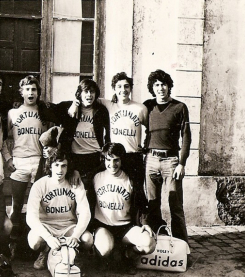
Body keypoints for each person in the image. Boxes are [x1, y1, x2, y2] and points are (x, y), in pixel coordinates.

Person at [69, 73, 148, 220]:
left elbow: (151, 129)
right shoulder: (108, 104)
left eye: (126, 86)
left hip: (133, 157)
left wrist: (146, 147)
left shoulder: (140, 108)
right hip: (113, 156)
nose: (123, 90)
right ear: (114, 89)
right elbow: (86, 96)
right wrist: (74, 104)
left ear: (131, 88)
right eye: (119, 86)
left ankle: (138, 228)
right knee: (110, 191)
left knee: (136, 193)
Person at [40, 79, 110, 213]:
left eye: (92, 92)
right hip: (75, 156)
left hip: (95, 157)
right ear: (79, 94)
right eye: (86, 92)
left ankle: (91, 226)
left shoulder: (100, 110)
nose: (89, 95)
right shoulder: (69, 107)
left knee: (92, 193)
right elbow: (45, 110)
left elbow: (108, 136)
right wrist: (72, 106)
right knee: (73, 191)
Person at [142, 69, 192, 243]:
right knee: (152, 203)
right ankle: (155, 242)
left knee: (175, 204)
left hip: (171, 161)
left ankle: (182, 245)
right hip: (150, 160)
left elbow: (186, 136)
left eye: (163, 84)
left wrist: (182, 163)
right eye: (156, 85)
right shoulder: (147, 106)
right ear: (152, 88)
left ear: (169, 86)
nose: (160, 88)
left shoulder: (179, 107)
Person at [90, 142, 156, 274]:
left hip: (125, 227)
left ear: (122, 160)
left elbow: (141, 203)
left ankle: (127, 255)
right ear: (104, 160)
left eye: (116, 160)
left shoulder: (130, 179)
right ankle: (108, 257)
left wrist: (145, 223)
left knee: (149, 243)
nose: (112, 164)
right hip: (104, 226)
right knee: (104, 249)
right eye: (109, 160)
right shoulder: (96, 177)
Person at [26, 149, 93, 270]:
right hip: (47, 225)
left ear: (68, 168)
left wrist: (76, 236)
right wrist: (48, 237)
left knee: (88, 240)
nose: (60, 170)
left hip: (68, 226)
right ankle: (45, 252)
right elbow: (31, 216)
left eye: (63, 166)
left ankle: (74, 255)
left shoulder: (75, 183)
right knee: (34, 241)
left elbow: (85, 213)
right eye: (56, 165)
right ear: (50, 166)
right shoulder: (40, 184)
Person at [7, 75, 48, 257]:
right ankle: (11, 245)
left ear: (38, 93)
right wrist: (8, 158)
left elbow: (53, 135)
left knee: (38, 206)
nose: (31, 93)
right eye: (27, 89)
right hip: (20, 162)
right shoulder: (12, 113)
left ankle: (37, 248)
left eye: (34, 90)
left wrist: (50, 152)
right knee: (16, 206)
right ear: (21, 92)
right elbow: (2, 138)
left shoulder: (43, 112)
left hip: (39, 161)